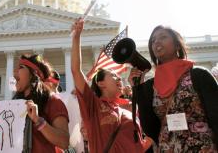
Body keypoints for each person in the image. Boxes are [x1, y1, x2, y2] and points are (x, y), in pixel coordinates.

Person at [129, 25, 218, 152]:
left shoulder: (198, 75)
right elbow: (150, 129)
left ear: (177, 45)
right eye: (153, 40)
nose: (156, 42)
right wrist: (138, 88)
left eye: (163, 37)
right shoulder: (149, 86)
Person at [71, 18, 152, 153]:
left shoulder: (129, 110)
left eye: (119, 76)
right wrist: (76, 36)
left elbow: (139, 145)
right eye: (114, 76)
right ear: (100, 83)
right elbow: (76, 71)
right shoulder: (93, 106)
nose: (119, 78)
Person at [13, 54, 70, 152]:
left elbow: (64, 142)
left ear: (34, 74)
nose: (14, 72)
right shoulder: (14, 105)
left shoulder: (53, 102)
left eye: (21, 67)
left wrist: (38, 120)